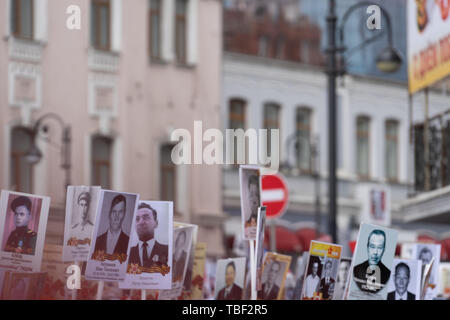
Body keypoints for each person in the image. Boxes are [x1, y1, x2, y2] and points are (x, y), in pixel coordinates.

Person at [128, 203, 168, 269]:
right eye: (137, 219)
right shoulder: (127, 254)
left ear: (156, 223)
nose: (141, 222)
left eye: (146, 218)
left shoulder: (168, 251)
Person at [353, 229, 390, 293]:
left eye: (379, 247)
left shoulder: (388, 274)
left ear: (384, 249)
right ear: (367, 247)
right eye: (372, 246)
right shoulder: (355, 270)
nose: (375, 252)